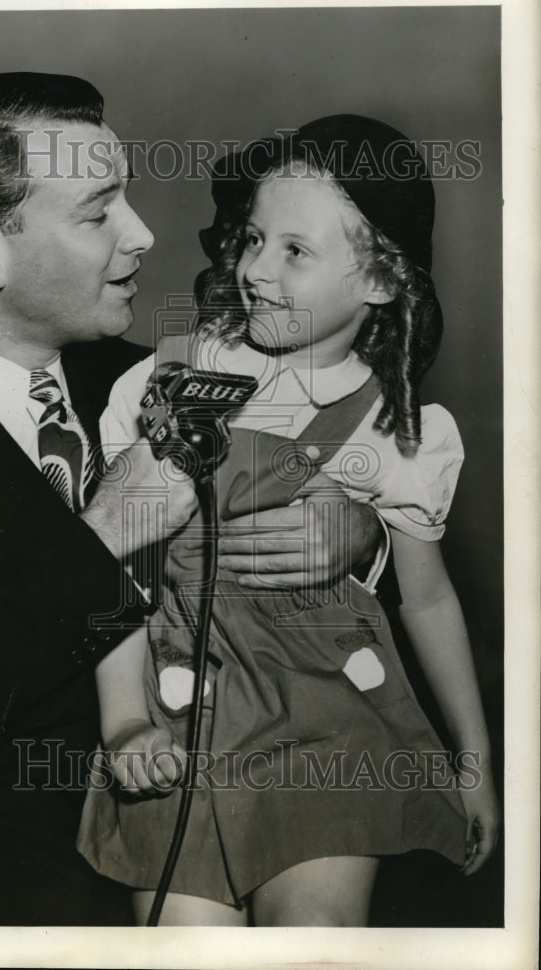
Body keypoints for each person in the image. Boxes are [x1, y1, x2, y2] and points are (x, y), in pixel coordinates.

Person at [0, 76, 381, 927]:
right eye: (99, 213)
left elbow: (321, 551)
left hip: (224, 798)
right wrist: (102, 534)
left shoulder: (156, 377)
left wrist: (356, 530)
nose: (143, 234)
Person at [77, 114, 500, 927]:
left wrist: (476, 762)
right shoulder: (162, 381)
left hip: (329, 717)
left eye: (294, 252)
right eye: (252, 240)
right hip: (176, 710)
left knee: (316, 935)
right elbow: (110, 565)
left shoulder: (400, 428)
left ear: (381, 281)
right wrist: (124, 718)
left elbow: (430, 600)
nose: (253, 271)